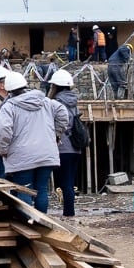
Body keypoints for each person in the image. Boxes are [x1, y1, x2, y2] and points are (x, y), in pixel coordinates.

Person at [0, 71, 67, 213]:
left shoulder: (9, 106)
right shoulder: (45, 101)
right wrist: (56, 135)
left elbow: (3, 130)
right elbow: (63, 114)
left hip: (22, 157)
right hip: (46, 153)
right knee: (42, 189)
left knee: (25, 190)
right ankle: (41, 224)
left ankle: (28, 224)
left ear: (9, 89)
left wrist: (3, 150)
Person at [48, 68, 82, 217]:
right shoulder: (74, 101)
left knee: (65, 183)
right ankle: (69, 211)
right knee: (70, 180)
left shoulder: (55, 103)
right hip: (75, 147)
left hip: (63, 147)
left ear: (55, 85)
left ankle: (69, 213)